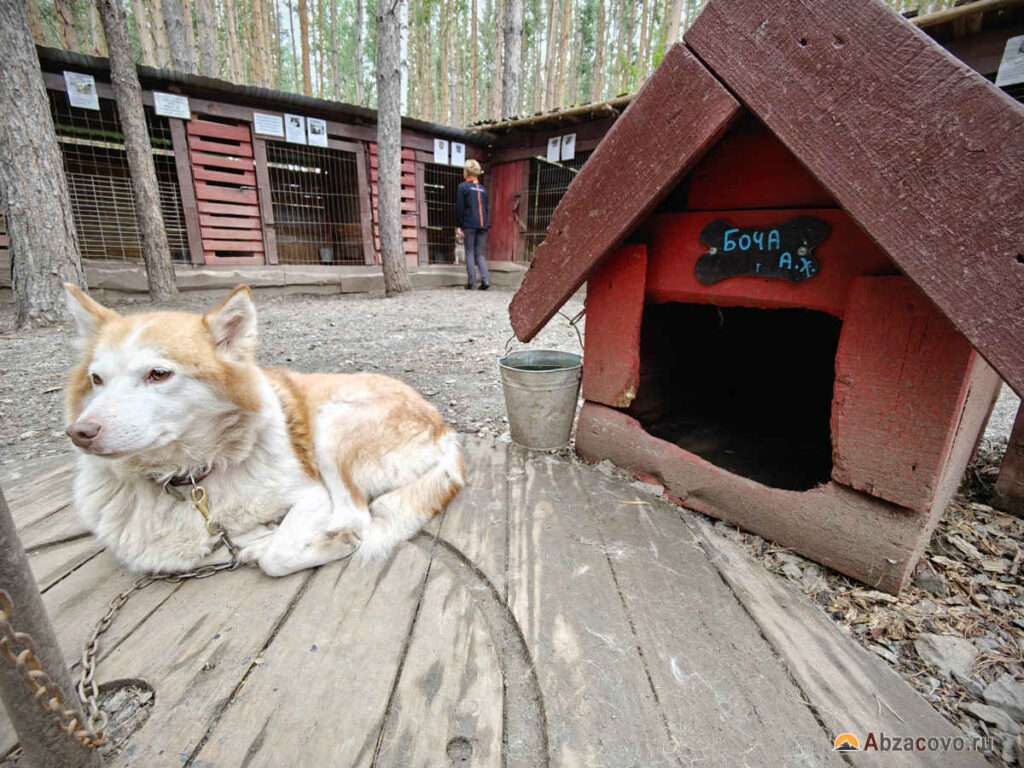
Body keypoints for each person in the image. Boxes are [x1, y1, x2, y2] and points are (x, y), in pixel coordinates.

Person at [455, 159, 490, 290]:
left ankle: (472, 282)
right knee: (479, 253)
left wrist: (459, 225)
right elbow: (486, 208)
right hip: (483, 225)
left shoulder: (462, 187)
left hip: (469, 225)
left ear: (466, 172)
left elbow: (460, 208)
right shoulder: (483, 189)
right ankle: (486, 280)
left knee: (469, 252)